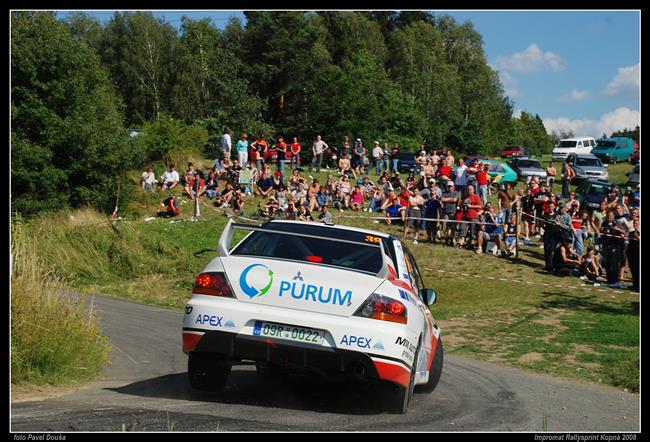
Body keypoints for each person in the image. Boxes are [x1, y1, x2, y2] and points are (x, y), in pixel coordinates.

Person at [600, 210, 626, 288]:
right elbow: (601, 232)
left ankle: (615, 280)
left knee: (614, 264)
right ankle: (609, 280)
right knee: (607, 264)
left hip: (615, 246)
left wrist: (618, 229)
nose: (609, 217)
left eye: (611, 215)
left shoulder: (617, 223)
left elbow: (624, 232)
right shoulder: (604, 223)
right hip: (607, 246)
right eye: (608, 215)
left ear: (614, 216)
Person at [541, 201, 559, 271]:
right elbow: (542, 224)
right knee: (546, 250)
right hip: (547, 233)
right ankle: (547, 265)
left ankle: (553, 264)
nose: (551, 208)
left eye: (552, 206)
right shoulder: (545, 215)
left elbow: (558, 223)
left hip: (554, 234)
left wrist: (556, 223)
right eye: (550, 206)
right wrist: (545, 228)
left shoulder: (557, 215)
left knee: (552, 250)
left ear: (554, 207)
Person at [440, 181, 459, 245]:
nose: (449, 187)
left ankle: (452, 239)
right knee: (445, 226)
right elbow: (442, 199)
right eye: (448, 186)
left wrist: (446, 199)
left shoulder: (456, 193)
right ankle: (446, 238)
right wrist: (450, 199)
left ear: (453, 186)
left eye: (450, 186)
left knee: (453, 226)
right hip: (445, 212)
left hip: (453, 212)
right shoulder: (444, 193)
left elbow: (455, 200)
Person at [627, 218, 639, 291]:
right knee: (633, 269)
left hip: (638, 253)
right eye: (634, 223)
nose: (635, 225)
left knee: (638, 270)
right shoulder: (631, 233)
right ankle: (634, 284)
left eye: (637, 223)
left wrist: (638, 237)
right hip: (631, 253)